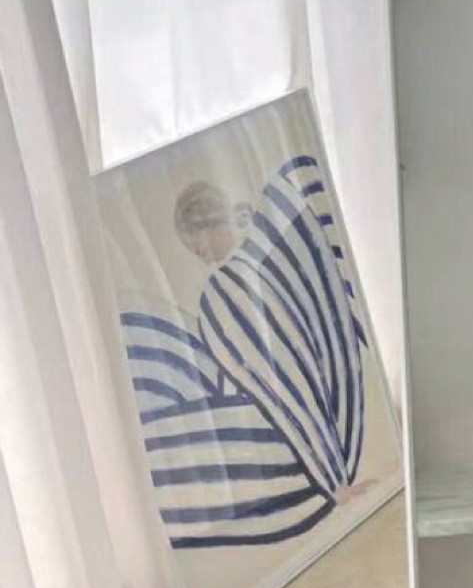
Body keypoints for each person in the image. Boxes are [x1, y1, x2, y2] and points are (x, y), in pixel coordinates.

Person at [122, 155, 371, 548]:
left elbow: (285, 393)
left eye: (197, 236)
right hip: (318, 452)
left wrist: (334, 484)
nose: (197, 249)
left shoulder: (225, 291)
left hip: (302, 463)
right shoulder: (260, 271)